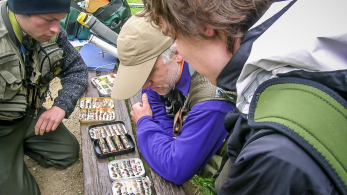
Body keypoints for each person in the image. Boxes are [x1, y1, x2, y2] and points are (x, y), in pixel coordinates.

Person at [139, 0, 347, 194]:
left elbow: (178, 167)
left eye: (174, 37)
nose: (177, 50)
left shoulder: (273, 155)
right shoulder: (308, 48)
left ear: (203, 26)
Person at [111, 15, 236, 185]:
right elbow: (154, 101)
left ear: (177, 53)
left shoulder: (211, 102)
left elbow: (175, 169)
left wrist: (145, 123)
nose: (145, 84)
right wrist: (168, 139)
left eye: (148, 74)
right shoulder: (166, 71)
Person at [0, 0, 88, 194]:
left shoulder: (53, 33)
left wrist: (61, 106)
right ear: (21, 12)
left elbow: (77, 70)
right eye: (49, 20)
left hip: (29, 115)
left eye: (60, 20)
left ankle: (16, 150)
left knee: (67, 152)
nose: (56, 29)